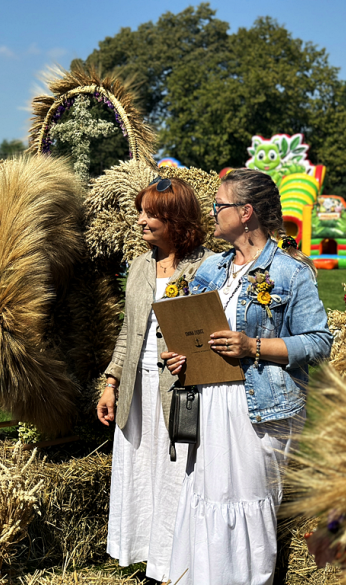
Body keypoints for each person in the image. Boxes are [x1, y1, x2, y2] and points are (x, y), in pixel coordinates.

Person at [162, 168, 333, 585]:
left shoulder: (292, 272)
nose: (213, 213)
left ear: (246, 212)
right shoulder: (211, 269)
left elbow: (319, 342)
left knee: (249, 504)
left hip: (261, 406)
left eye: (219, 205)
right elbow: (192, 330)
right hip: (211, 400)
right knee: (208, 496)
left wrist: (252, 347)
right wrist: (179, 357)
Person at [97, 177, 213, 582]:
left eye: (150, 214)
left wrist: (194, 361)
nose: (141, 220)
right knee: (140, 473)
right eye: (141, 211)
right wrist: (111, 382)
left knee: (174, 476)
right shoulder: (142, 264)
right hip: (137, 387)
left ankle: (174, 565)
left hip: (179, 391)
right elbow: (128, 331)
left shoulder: (206, 266)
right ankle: (150, 558)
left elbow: (212, 334)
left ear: (176, 219)